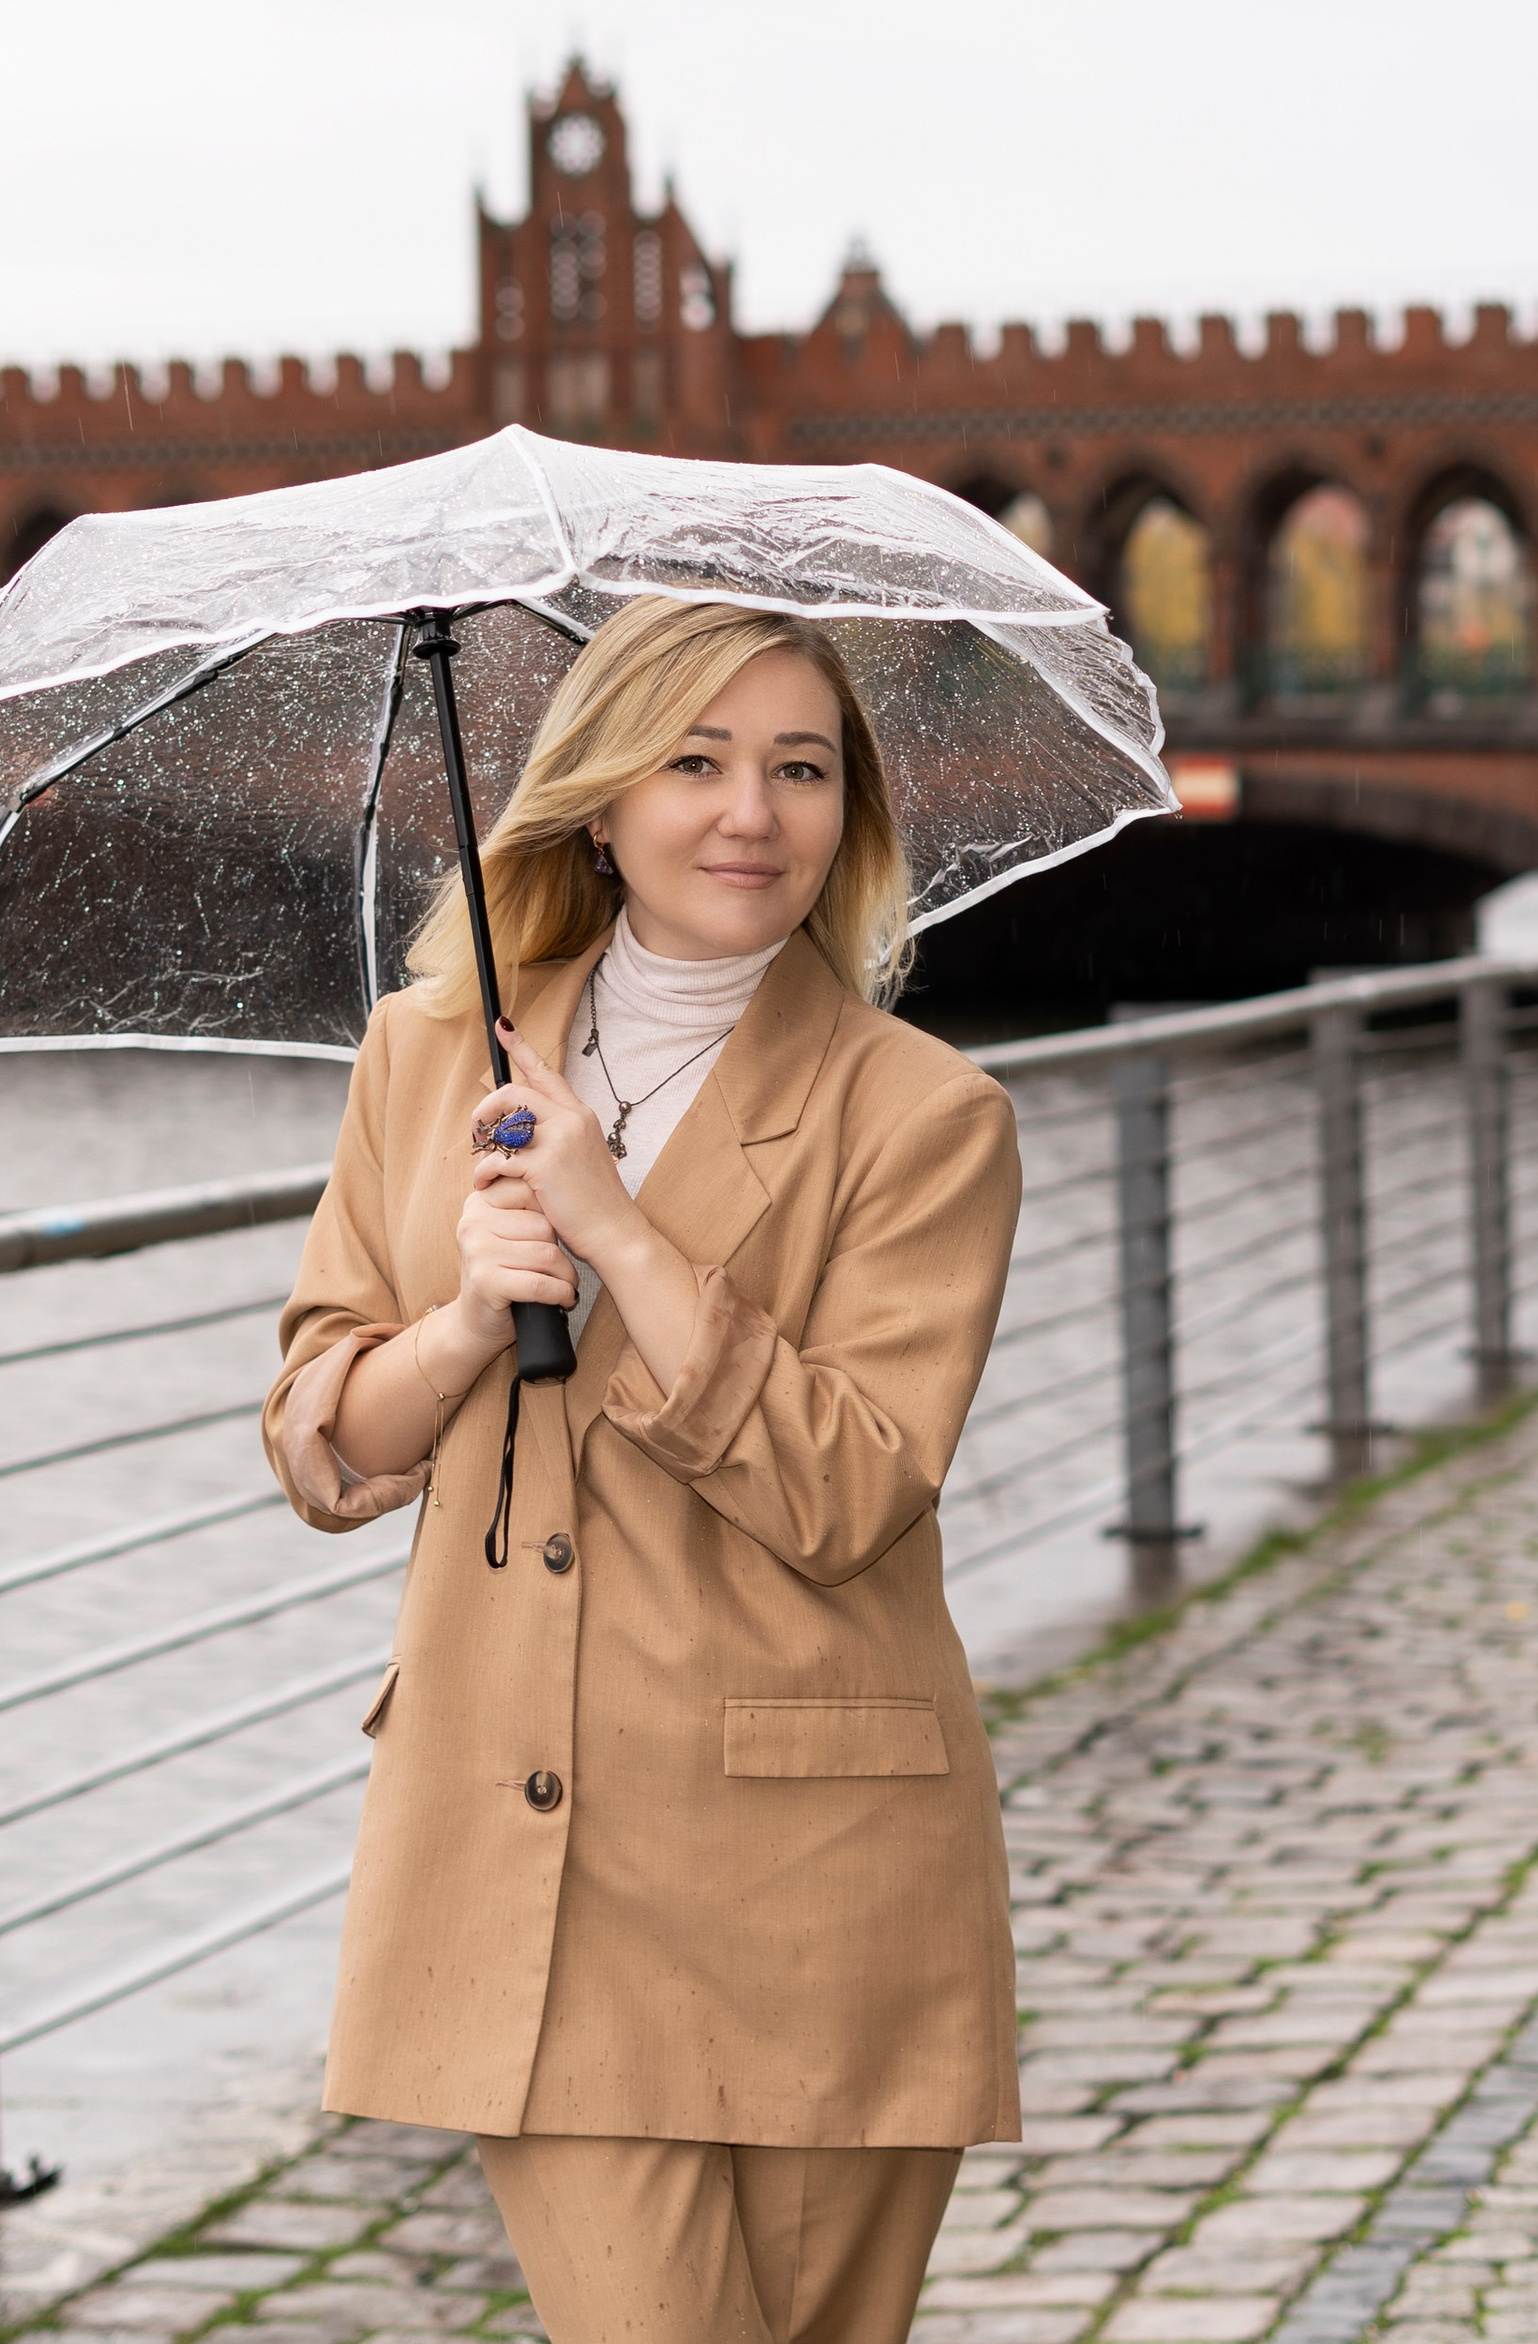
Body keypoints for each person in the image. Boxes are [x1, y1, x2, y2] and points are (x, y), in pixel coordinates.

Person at [261, 595, 1022, 2344]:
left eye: (800, 769)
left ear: (851, 818)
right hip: (519, 1847)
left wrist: (623, 1231)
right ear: (599, 801)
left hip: (813, 1867)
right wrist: (462, 1321)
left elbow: (856, 1492)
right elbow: (321, 1440)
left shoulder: (924, 1116)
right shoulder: (426, 1055)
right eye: (696, 761)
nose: (751, 814)